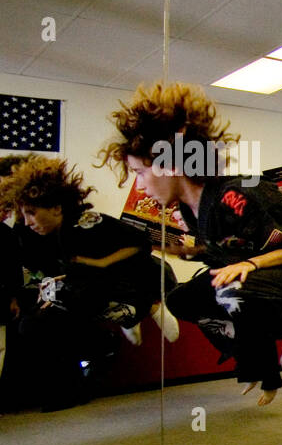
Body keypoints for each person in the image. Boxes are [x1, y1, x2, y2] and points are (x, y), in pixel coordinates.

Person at [100, 82, 282, 406]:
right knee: (183, 299)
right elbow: (230, 249)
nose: (140, 187)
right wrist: (193, 251)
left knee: (233, 286)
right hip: (257, 280)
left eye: (140, 173)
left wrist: (249, 264)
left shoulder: (237, 194)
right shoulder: (190, 209)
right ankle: (254, 354)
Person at [0, 155, 176, 410]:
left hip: (136, 277)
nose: (27, 220)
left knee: (68, 300)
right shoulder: (26, 232)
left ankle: (140, 309)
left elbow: (141, 242)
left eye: (31, 213)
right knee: (33, 321)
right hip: (82, 284)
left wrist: (101, 264)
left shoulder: (88, 223)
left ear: (56, 208)